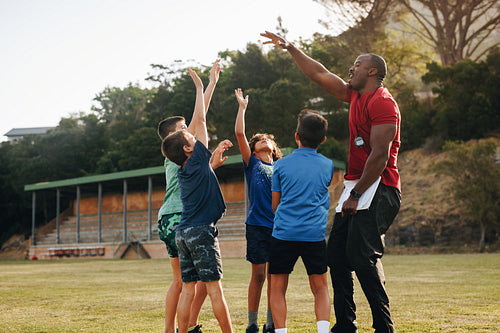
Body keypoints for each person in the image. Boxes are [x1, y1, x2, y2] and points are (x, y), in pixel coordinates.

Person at [261, 31, 401, 333]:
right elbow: (319, 73)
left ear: (372, 71)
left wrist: (357, 193)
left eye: (357, 64)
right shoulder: (354, 95)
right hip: (356, 186)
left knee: (363, 257)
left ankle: (384, 327)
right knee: (336, 257)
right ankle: (345, 325)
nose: (351, 69)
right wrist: (291, 47)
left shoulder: (383, 103)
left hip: (380, 186)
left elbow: (380, 156)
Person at [156, 59, 229, 333]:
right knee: (197, 283)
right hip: (183, 217)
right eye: (183, 125)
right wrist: (205, 86)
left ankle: (177, 329)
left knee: (185, 283)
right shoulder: (182, 149)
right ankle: (181, 329)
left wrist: (210, 84)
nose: (189, 126)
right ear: (177, 135)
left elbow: (200, 116)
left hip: (168, 219)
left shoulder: (174, 156)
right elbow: (201, 117)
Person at [269, 110, 334, 333]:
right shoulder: (328, 165)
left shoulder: (280, 165)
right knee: (320, 287)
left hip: (283, 233)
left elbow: (275, 205)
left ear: (297, 136)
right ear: (323, 140)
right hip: (313, 235)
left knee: (277, 288)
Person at [234, 88, 283, 333]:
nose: (263, 139)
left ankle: (271, 324)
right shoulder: (252, 164)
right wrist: (242, 108)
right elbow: (239, 133)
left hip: (280, 227)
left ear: (274, 147)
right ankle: (252, 325)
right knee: (259, 276)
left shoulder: (283, 168)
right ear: (253, 150)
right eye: (259, 139)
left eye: (267, 138)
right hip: (257, 226)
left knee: (276, 277)